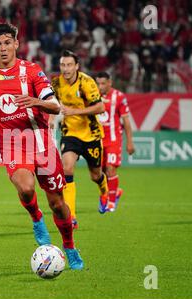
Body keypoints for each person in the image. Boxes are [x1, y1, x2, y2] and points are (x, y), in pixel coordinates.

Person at [0, 23, 83, 270]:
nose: (3, 48)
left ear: (16, 44)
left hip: (41, 143)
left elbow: (55, 106)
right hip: (12, 143)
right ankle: (37, 219)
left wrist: (34, 101)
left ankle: (69, 246)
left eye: (7, 43)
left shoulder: (33, 71)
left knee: (57, 204)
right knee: (25, 188)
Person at [50, 50, 109, 225]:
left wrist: (75, 111)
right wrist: (51, 119)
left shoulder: (87, 82)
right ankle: (71, 216)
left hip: (91, 134)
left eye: (69, 65)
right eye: (63, 65)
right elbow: (52, 104)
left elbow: (100, 108)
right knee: (67, 169)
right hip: (70, 133)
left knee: (95, 175)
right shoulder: (56, 83)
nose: (66, 69)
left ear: (76, 66)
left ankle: (104, 190)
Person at [95, 72, 135, 212]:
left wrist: (130, 142)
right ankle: (113, 192)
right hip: (97, 140)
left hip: (113, 140)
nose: (100, 86)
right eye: (98, 83)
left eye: (103, 83)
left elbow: (126, 121)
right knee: (100, 173)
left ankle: (111, 203)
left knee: (111, 168)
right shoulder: (92, 96)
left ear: (110, 83)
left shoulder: (119, 97)